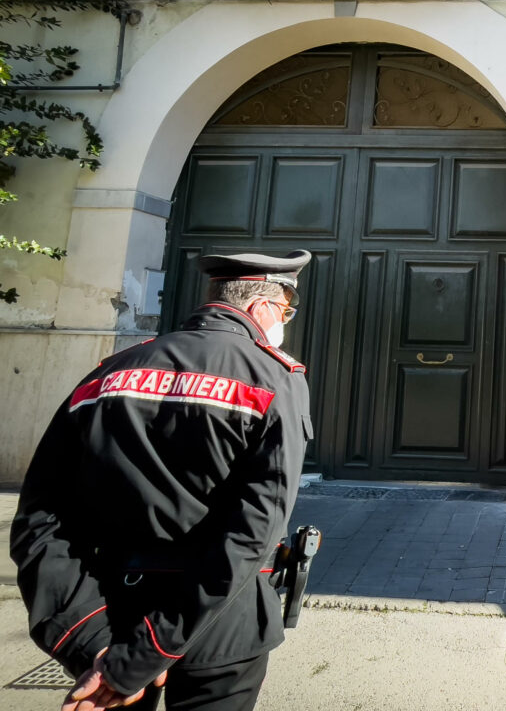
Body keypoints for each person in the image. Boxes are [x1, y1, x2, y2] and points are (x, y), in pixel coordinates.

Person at [10, 250, 314, 710]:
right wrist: (149, 652)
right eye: (286, 312)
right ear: (260, 309)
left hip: (108, 615)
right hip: (219, 630)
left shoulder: (107, 373)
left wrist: (88, 641)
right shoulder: (273, 379)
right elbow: (251, 535)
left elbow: (40, 519)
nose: (284, 323)